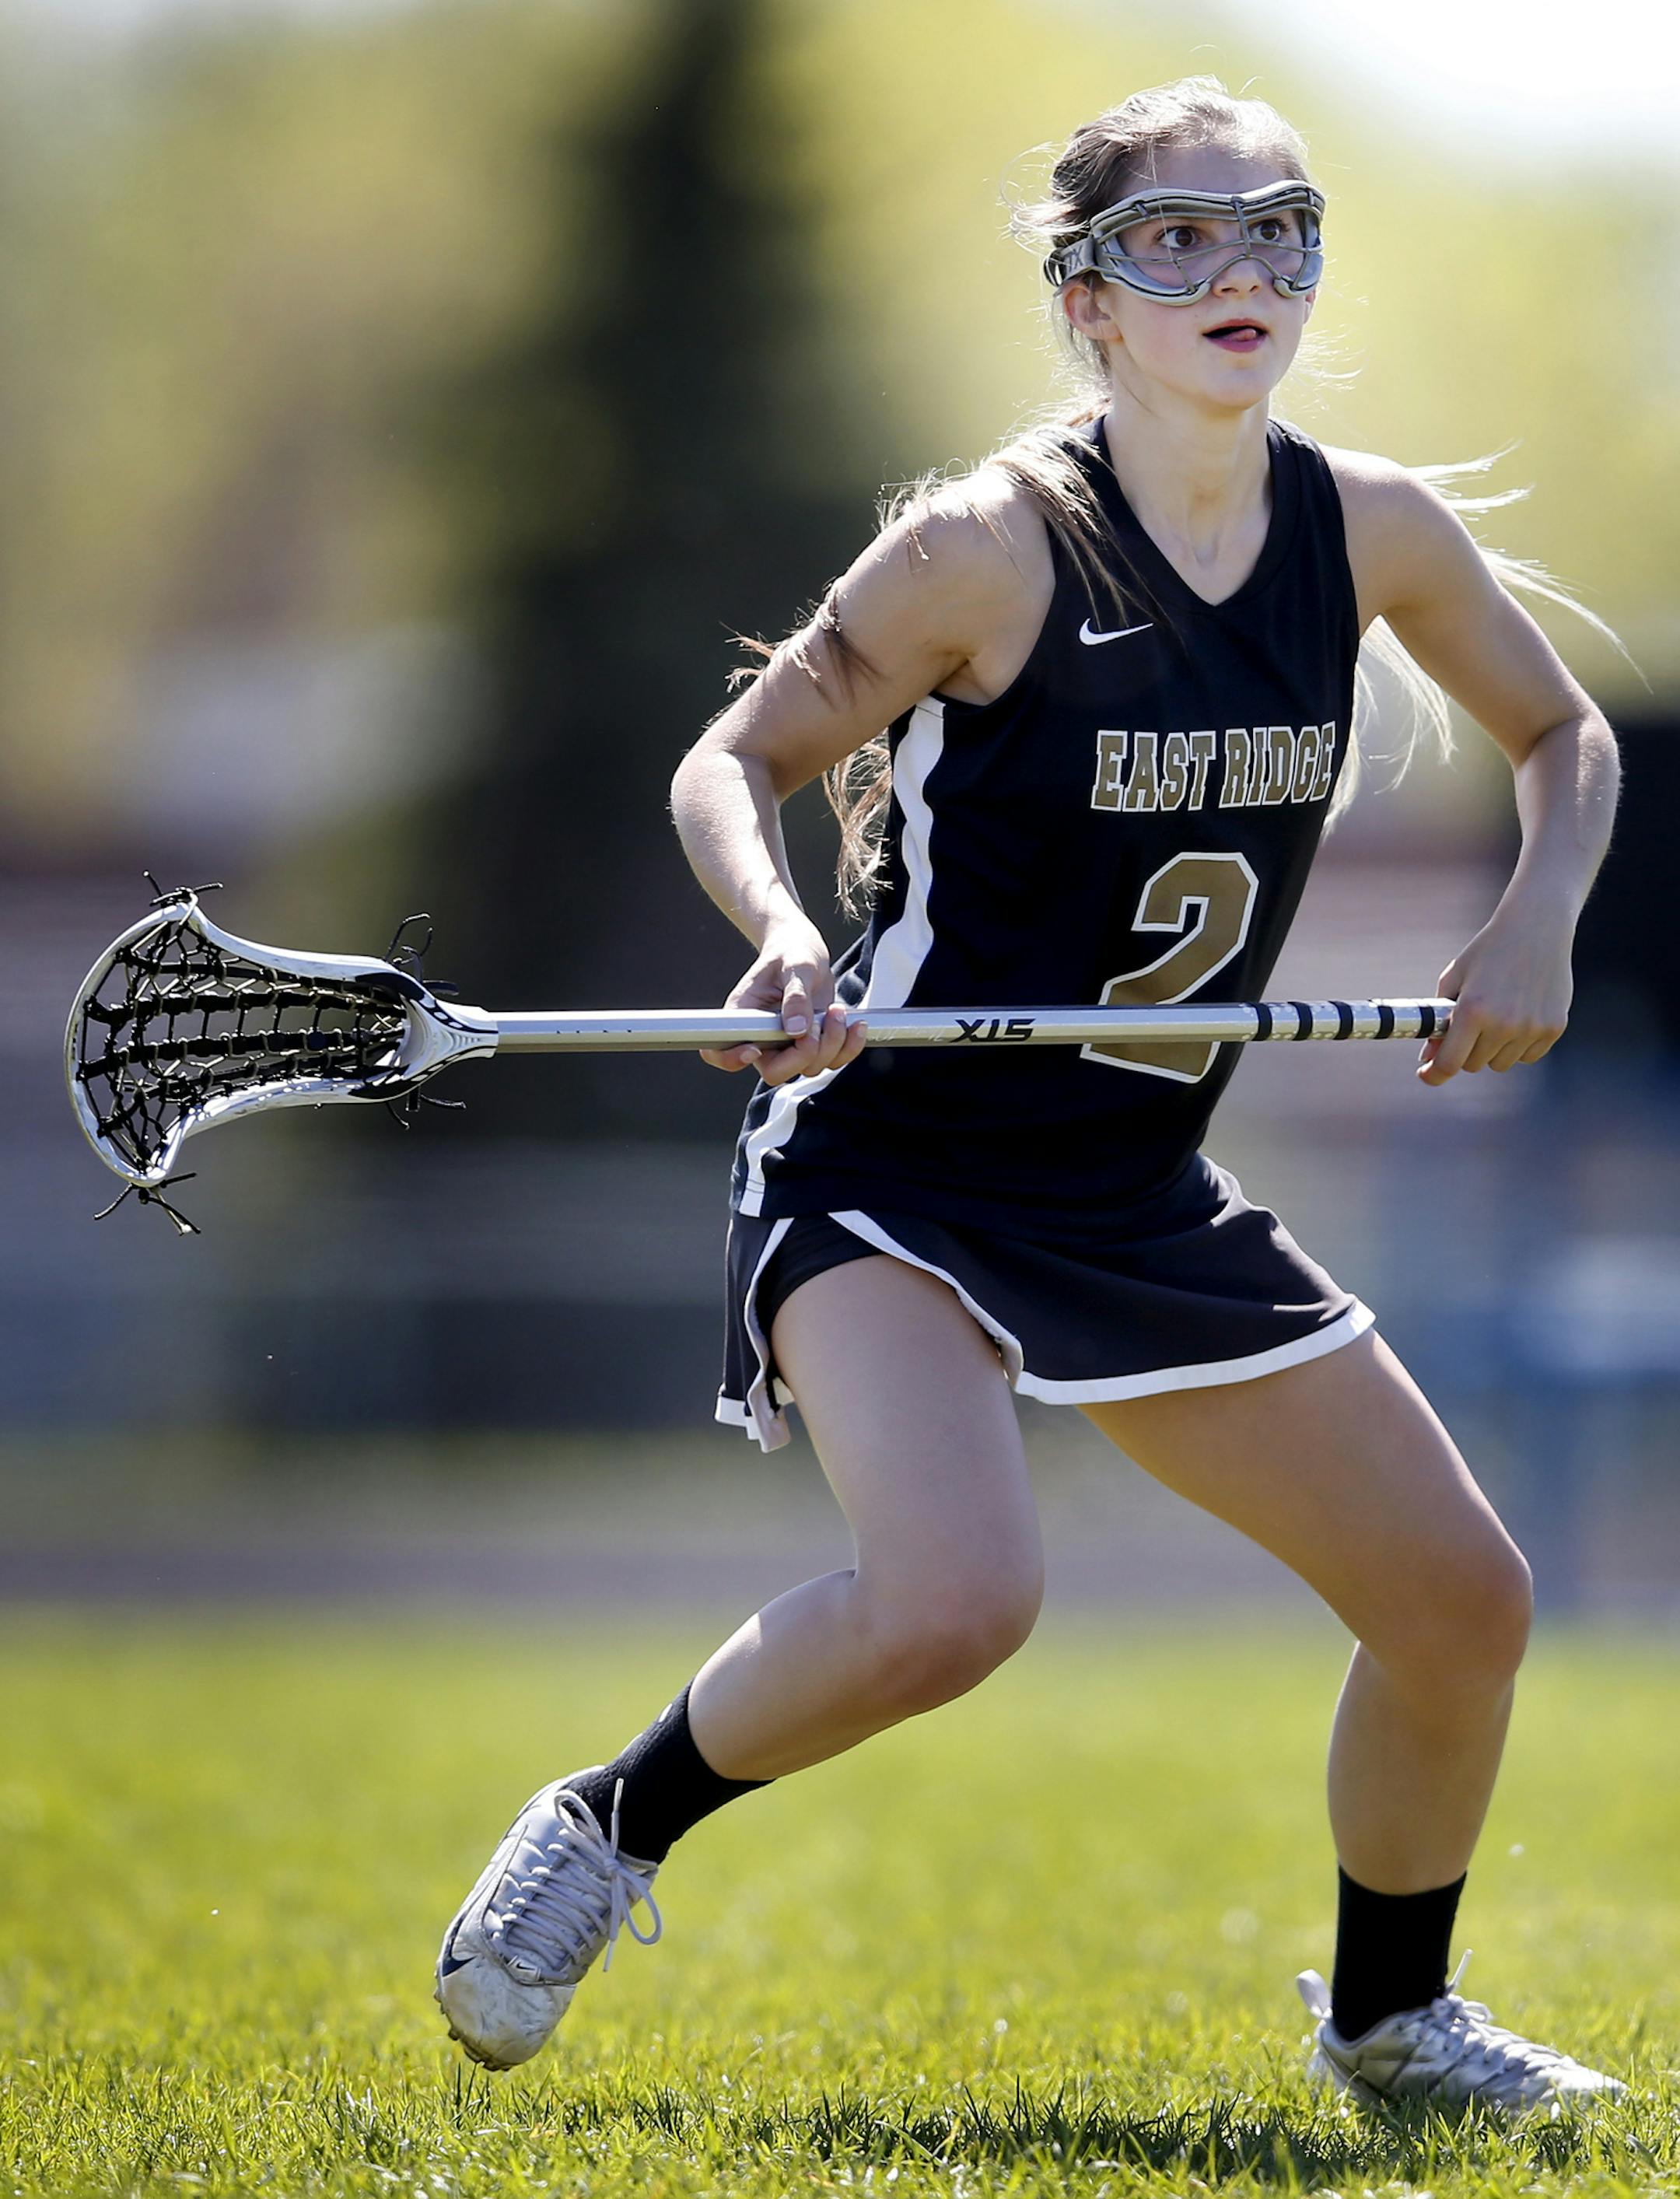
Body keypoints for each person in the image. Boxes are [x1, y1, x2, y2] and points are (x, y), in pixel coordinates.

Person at [436, 77, 1625, 2112]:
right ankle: (613, 1820)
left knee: (1461, 1602)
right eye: (1177, 237)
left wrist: (1538, 925)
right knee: (960, 1600)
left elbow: (1566, 737)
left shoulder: (1374, 533)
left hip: (1134, 1179)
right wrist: (784, 934)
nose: (1239, 268)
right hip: (891, 1158)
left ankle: (1392, 2019)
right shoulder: (987, 546)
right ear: (1086, 300)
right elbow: (730, 762)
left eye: (1278, 227)